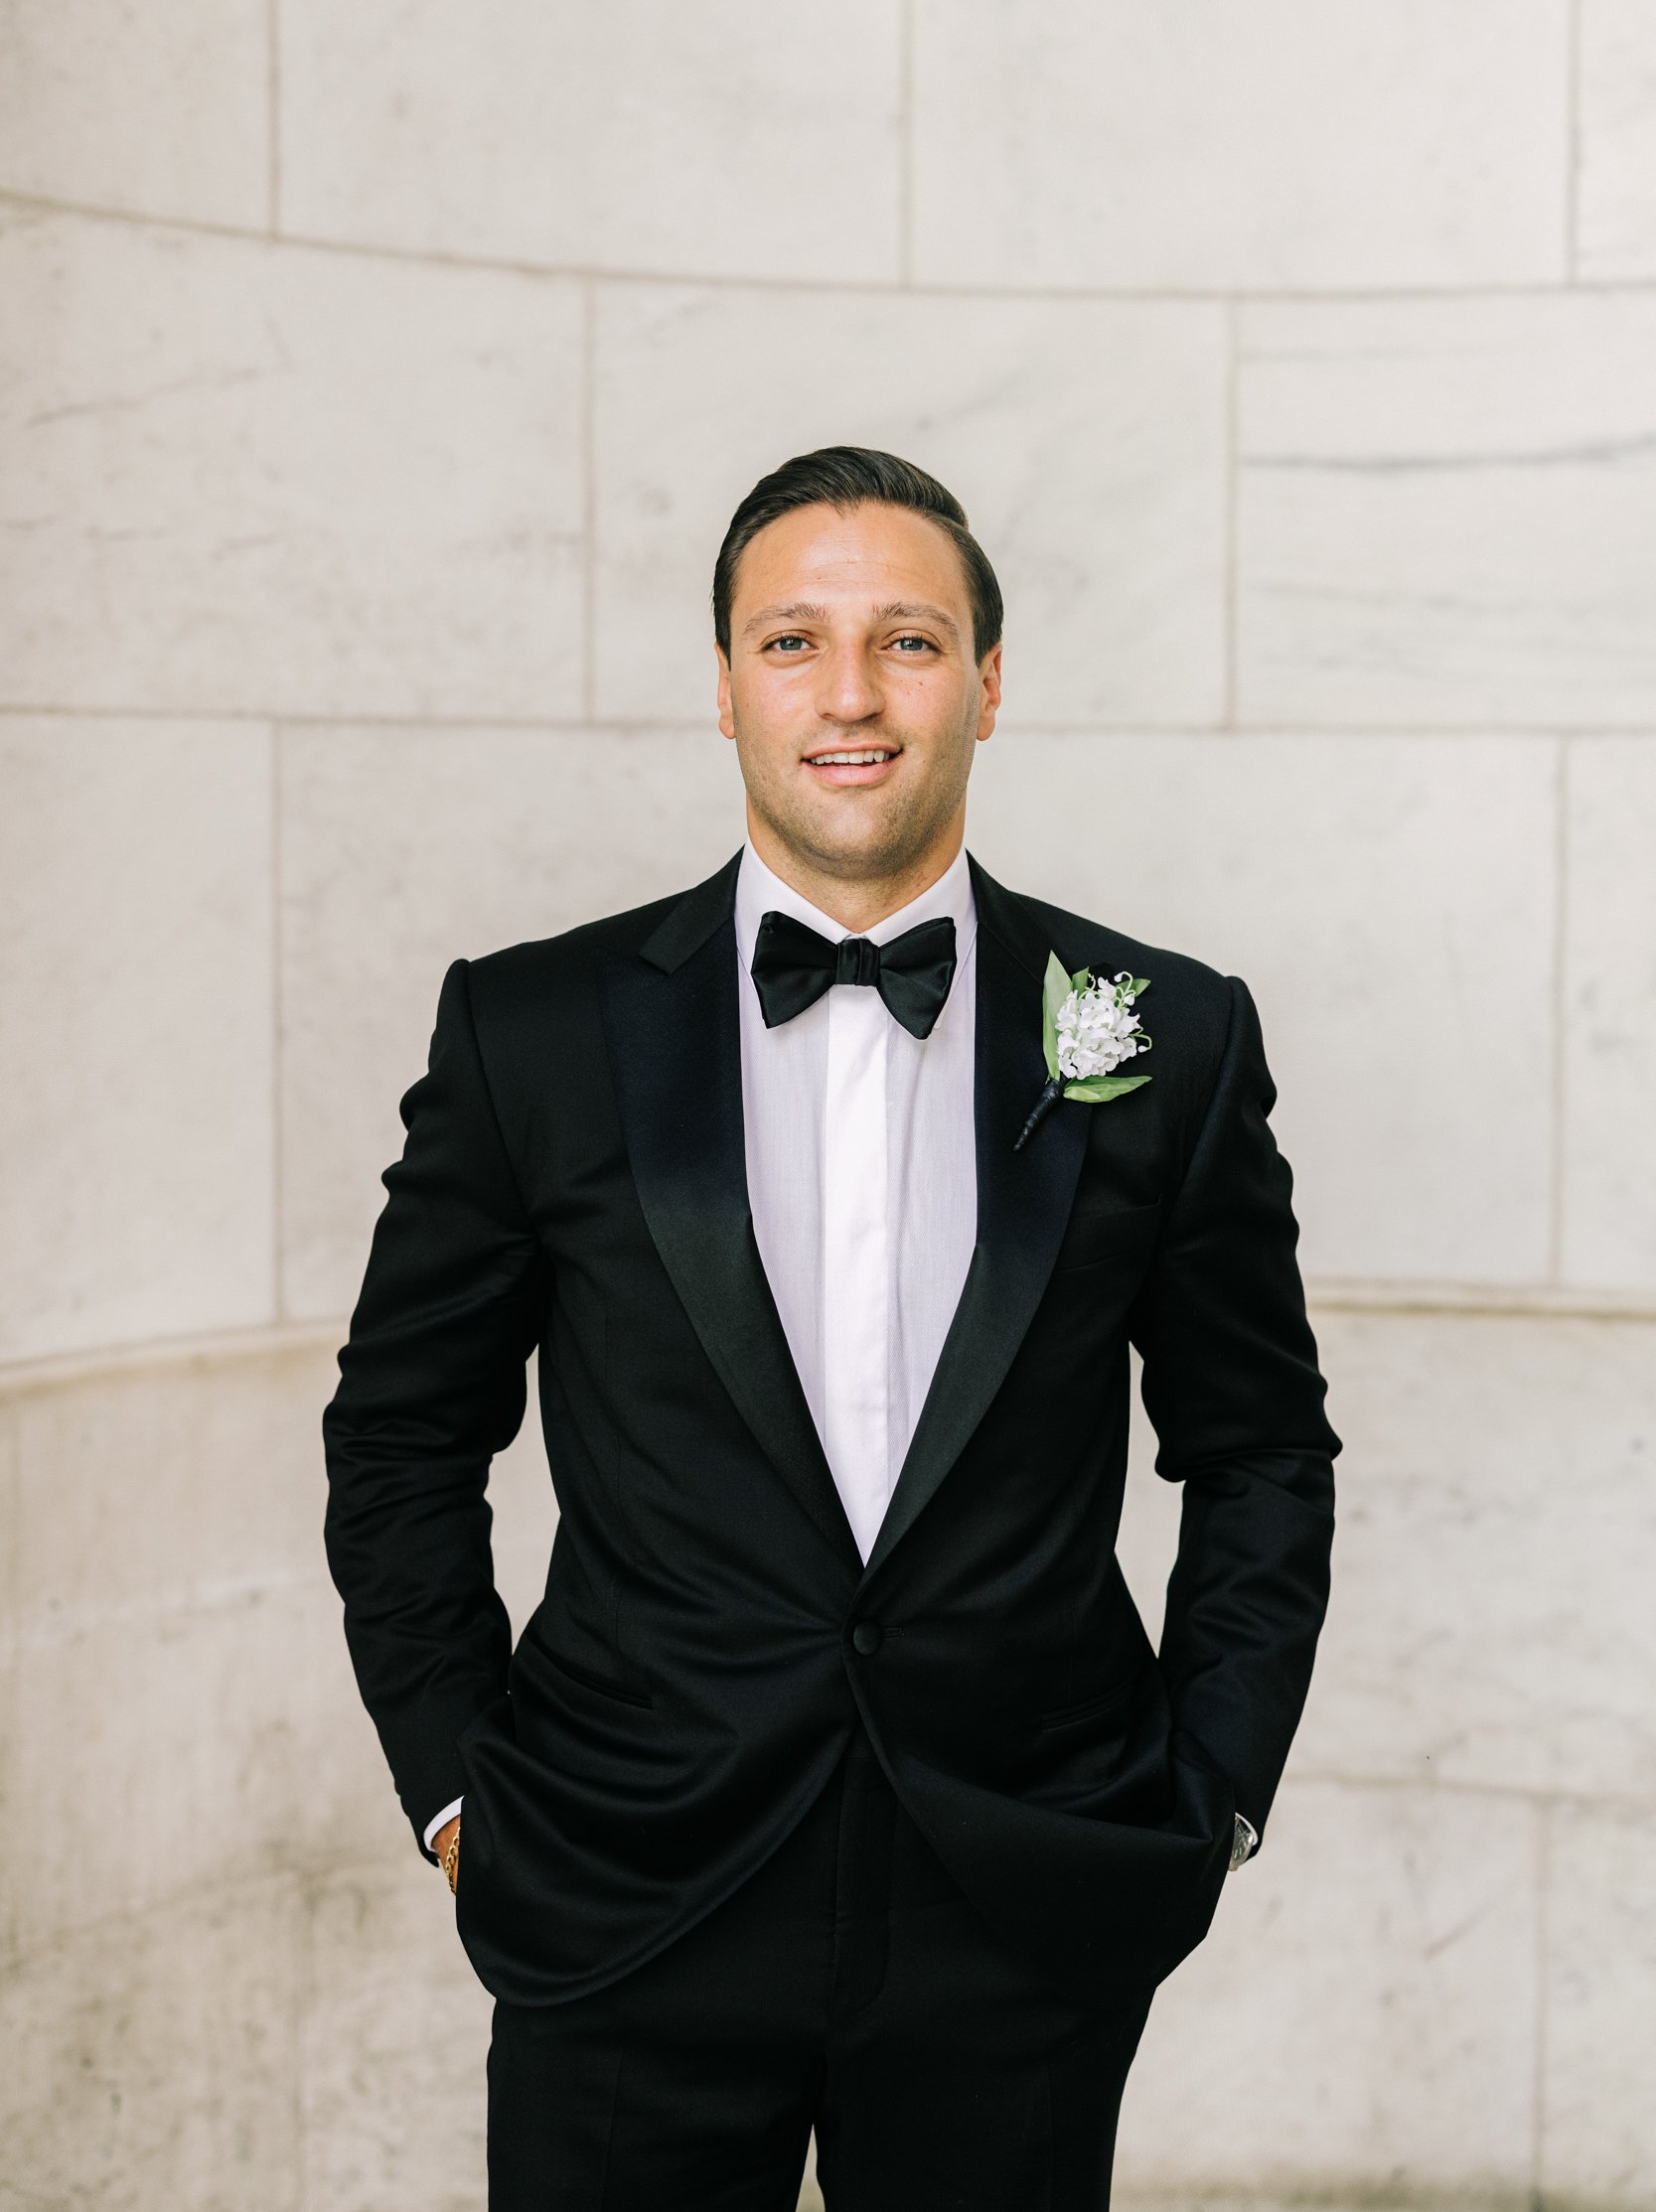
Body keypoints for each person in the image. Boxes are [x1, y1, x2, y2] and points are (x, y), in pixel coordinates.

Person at [322, 445, 1340, 2210]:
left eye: (911, 641)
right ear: (723, 686)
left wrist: (1212, 1791)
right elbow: (403, 1436)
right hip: (626, 1889)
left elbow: (1258, 1448)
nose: (851, 695)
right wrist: (459, 1797)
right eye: (793, 642)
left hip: (1019, 1902)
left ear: (992, 683)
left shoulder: (1166, 1033)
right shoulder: (533, 1031)